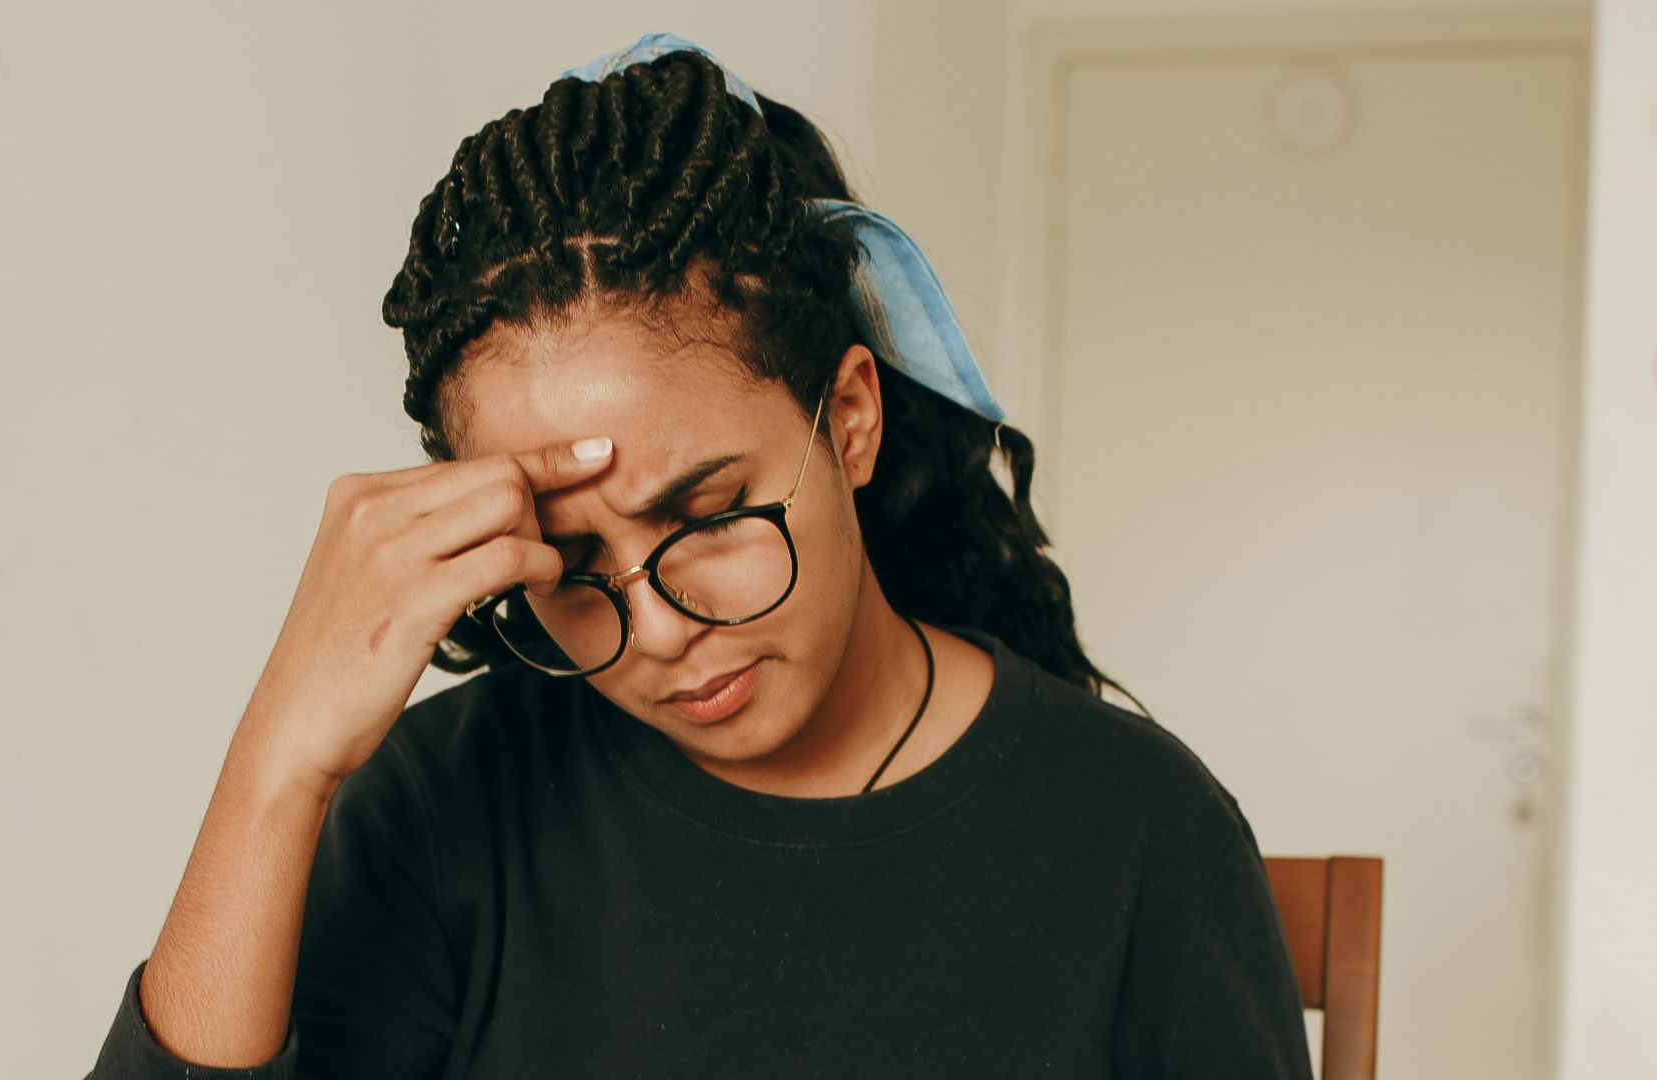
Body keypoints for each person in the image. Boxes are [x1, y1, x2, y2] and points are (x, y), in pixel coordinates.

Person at [85, 33, 1315, 1080]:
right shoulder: (445, 807)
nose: (659, 627)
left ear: (849, 419)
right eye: (572, 565)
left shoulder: (1142, 837)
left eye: (710, 517)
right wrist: (277, 763)